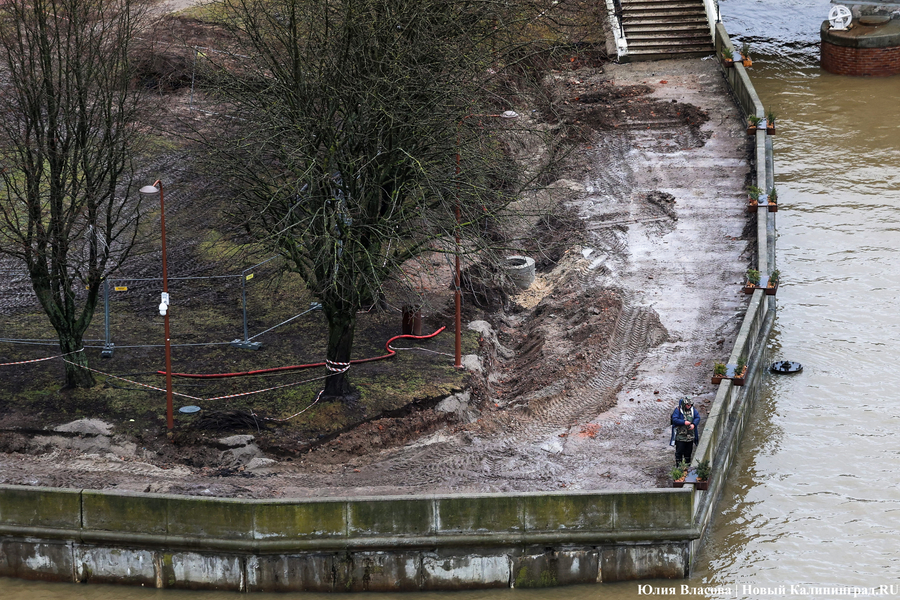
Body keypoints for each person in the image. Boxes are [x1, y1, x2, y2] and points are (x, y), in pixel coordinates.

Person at [670, 397, 700, 466]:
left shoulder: (693, 410)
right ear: (684, 404)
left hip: (690, 436)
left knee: (688, 453)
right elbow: (674, 420)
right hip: (680, 437)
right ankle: (679, 467)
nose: (689, 406)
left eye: (690, 405)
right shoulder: (678, 410)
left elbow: (697, 418)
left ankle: (687, 467)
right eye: (688, 405)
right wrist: (684, 422)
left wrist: (694, 424)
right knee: (679, 452)